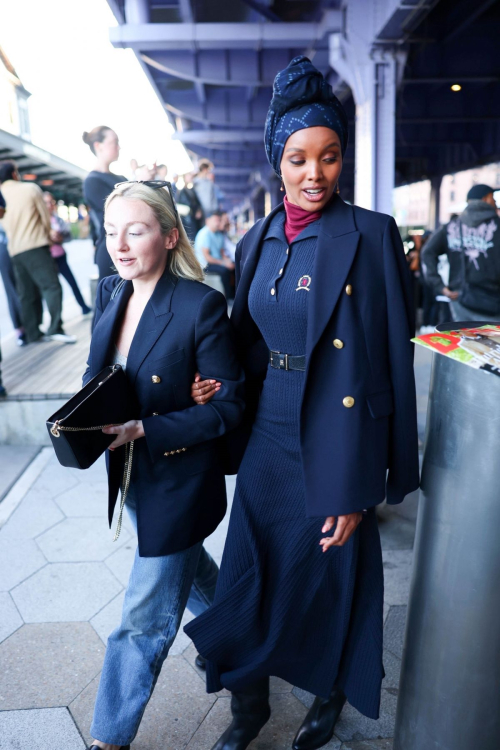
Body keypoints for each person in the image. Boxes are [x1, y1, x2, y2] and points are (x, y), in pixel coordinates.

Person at [185, 56, 419, 750]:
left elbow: (390, 364)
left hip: (334, 437)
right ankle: (247, 706)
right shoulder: (255, 239)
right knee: (248, 571)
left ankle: (327, 696)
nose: (313, 173)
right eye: (297, 158)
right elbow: (242, 342)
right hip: (268, 434)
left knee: (328, 577)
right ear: (277, 162)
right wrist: (212, 383)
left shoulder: (372, 234)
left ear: (342, 158)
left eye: (329, 156)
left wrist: (363, 486)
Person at [84, 180, 244, 750]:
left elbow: (228, 408)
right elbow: (97, 373)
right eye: (110, 233)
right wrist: (84, 419)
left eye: (136, 230)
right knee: (192, 572)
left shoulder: (199, 304)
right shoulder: (110, 291)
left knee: (144, 619)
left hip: (178, 478)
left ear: (169, 235)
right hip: (128, 476)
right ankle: (246, 637)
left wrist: (148, 424)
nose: (119, 246)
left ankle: (109, 736)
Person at [0, 160, 75, 344]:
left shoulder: (1, 194)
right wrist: (49, 238)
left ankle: (33, 332)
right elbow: (44, 218)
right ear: (15, 174)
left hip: (14, 250)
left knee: (26, 293)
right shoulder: (30, 189)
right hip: (35, 245)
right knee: (51, 286)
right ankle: (55, 327)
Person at [422, 184, 500, 322]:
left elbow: (427, 253)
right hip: (494, 303)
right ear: (487, 198)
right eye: (493, 198)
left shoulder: (452, 227)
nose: (495, 202)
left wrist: (440, 286)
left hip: (460, 300)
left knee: (463, 342)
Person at [82, 126, 126, 283]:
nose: (118, 146)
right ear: (98, 146)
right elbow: (120, 211)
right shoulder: (92, 181)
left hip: (126, 246)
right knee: (112, 303)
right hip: (111, 250)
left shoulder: (120, 177)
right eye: (114, 142)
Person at [43, 192, 92, 316]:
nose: (49, 205)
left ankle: (84, 307)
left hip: (60, 256)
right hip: (48, 260)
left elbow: (67, 235)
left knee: (72, 283)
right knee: (54, 290)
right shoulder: (40, 220)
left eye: (51, 202)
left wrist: (59, 238)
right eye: (46, 202)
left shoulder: (57, 218)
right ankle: (56, 318)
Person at [0, 187, 25, 345]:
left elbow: (3, 211)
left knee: (15, 288)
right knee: (12, 289)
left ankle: (22, 329)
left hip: (5, 244)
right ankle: (21, 329)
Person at [194, 212, 235, 299]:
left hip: (216, 261)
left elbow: (222, 253)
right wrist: (224, 263)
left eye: (219, 220)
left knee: (235, 267)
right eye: (215, 220)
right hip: (205, 264)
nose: (217, 222)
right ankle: (228, 297)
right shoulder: (204, 234)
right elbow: (207, 257)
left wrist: (228, 262)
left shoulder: (219, 235)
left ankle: (236, 294)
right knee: (225, 271)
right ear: (207, 221)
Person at [177, 171, 204, 240]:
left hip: (193, 218)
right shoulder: (182, 190)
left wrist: (198, 210)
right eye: (188, 176)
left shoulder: (192, 189)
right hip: (188, 218)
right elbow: (186, 203)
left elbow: (197, 203)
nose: (190, 177)